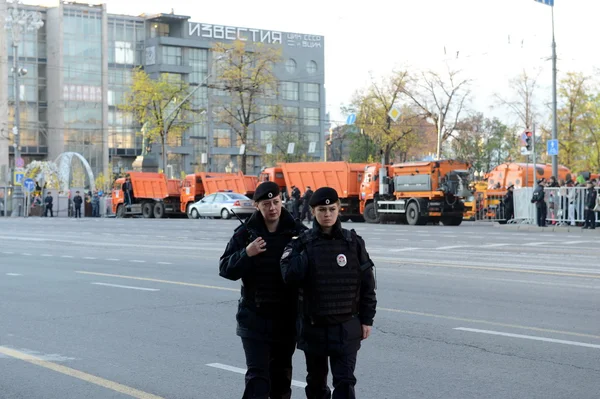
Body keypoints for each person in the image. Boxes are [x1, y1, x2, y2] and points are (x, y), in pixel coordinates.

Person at [281, 187, 377, 399]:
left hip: (346, 326)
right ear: (313, 211)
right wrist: (307, 250)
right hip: (314, 327)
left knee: (345, 383)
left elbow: (368, 284)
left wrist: (367, 319)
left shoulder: (353, 242)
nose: (327, 214)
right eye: (322, 209)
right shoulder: (302, 243)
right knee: (316, 384)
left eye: (332, 209)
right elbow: (289, 276)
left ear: (339, 209)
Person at [219, 181, 307, 399]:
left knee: (281, 379)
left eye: (276, 202)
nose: (272, 208)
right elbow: (225, 268)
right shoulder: (246, 234)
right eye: (266, 204)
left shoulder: (297, 232)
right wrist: (246, 253)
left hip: (285, 321)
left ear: (281, 201)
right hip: (254, 319)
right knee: (258, 380)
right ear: (257, 205)